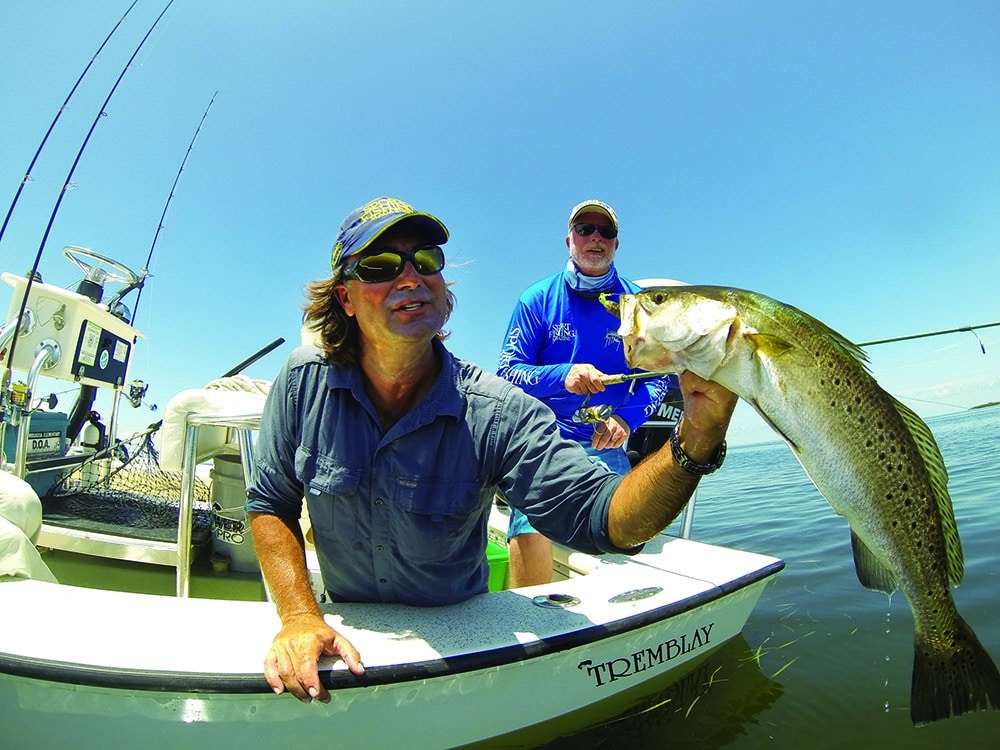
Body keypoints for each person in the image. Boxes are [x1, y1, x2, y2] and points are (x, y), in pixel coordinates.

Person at [246, 196, 735, 703]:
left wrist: (694, 437)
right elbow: (269, 502)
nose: (411, 277)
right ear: (345, 298)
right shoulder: (302, 382)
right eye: (380, 265)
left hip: (460, 652)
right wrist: (301, 614)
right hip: (345, 629)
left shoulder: (496, 412)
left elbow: (605, 520)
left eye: (426, 259)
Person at [496, 199, 673, 586]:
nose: (596, 238)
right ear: (569, 240)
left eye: (606, 232)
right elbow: (507, 373)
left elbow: (657, 377)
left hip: (606, 444)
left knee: (630, 532)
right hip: (544, 440)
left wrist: (626, 420)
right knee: (530, 526)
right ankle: (535, 621)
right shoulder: (536, 300)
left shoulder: (637, 305)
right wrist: (564, 375)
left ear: (616, 244)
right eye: (585, 229)